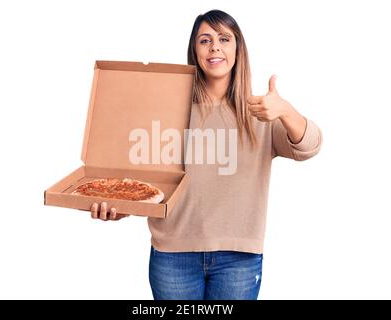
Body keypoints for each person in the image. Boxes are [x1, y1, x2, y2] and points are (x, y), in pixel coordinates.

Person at [90, 9, 323, 300]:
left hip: (238, 259)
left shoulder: (261, 111)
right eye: (205, 40)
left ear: (238, 49)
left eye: (224, 38)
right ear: (194, 51)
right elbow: (150, 180)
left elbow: (310, 146)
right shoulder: (169, 110)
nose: (215, 46)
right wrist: (120, 206)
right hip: (173, 256)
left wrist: (286, 110)